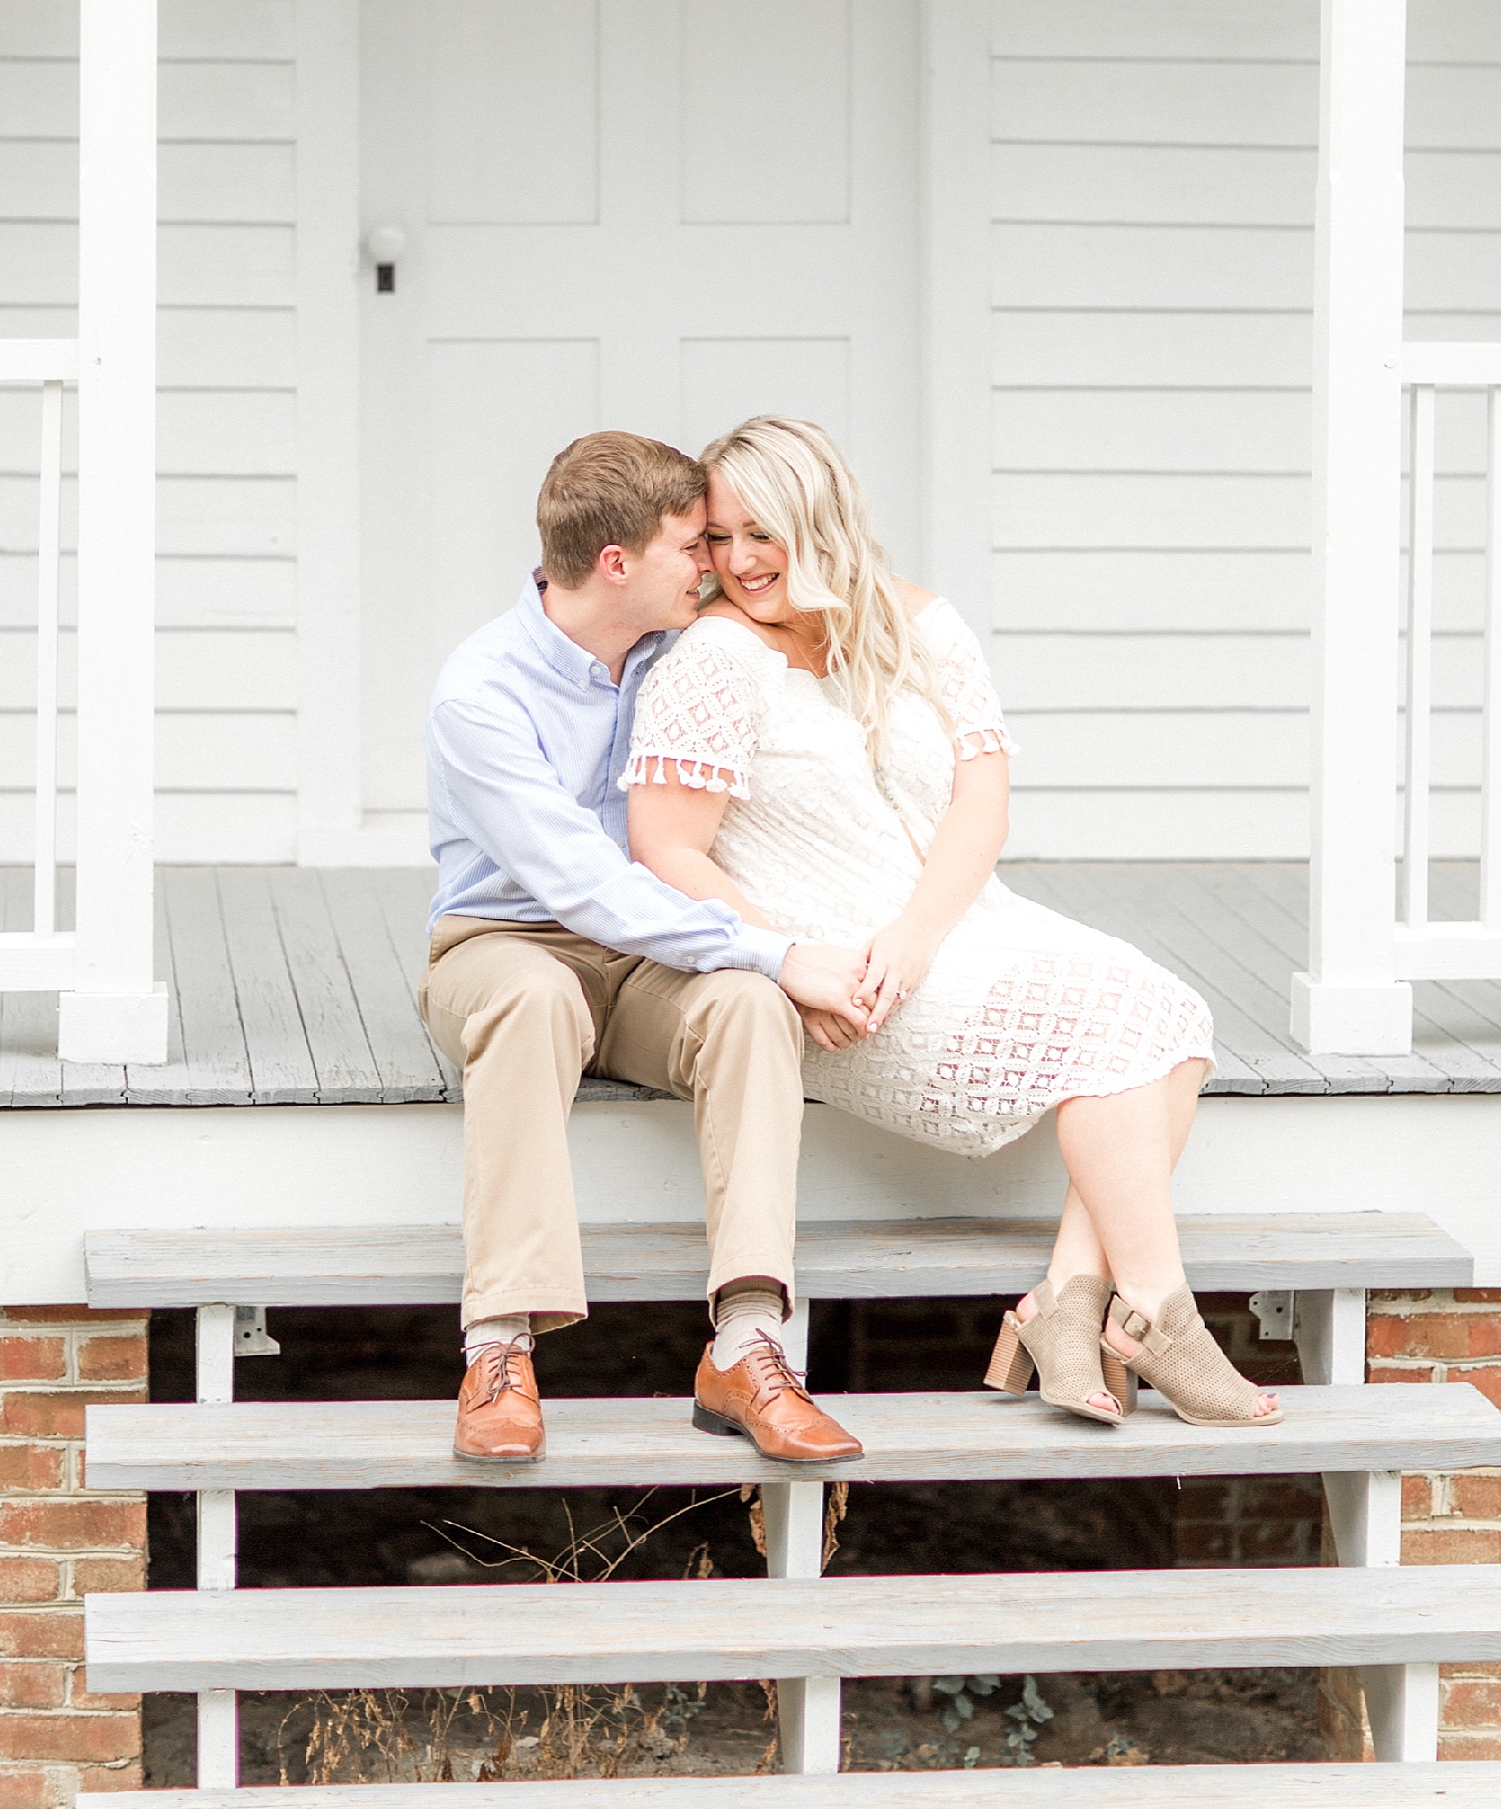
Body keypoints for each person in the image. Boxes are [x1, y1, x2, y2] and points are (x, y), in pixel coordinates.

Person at [625, 416, 1280, 1430]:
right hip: (838, 975)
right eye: (718, 538)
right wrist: (792, 963)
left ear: (823, 520)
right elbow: (667, 846)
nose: (740, 561)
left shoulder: (918, 623)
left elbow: (983, 796)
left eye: (764, 532)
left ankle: (1069, 1298)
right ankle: (1154, 1308)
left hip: (956, 928)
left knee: (1172, 1013)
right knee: (1120, 1031)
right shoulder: (714, 659)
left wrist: (921, 931)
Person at [420, 430, 867, 1467]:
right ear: (616, 562)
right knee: (537, 996)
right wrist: (776, 948)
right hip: (505, 939)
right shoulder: (481, 691)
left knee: (748, 1004)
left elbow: (846, 620)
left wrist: (769, 964)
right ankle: (499, 1348)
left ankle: (747, 1344)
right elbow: (582, 885)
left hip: (647, 958)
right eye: (692, 544)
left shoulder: (687, 647)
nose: (713, 563)